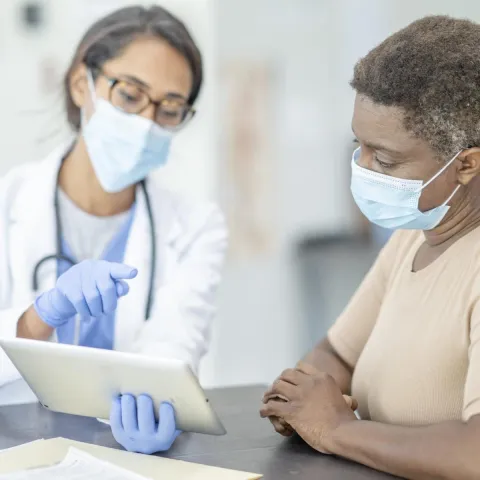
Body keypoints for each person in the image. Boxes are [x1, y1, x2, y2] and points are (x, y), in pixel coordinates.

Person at [0, 5, 227, 454]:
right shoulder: (8, 202)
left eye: (169, 108)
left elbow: (176, 346)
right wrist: (42, 315)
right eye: (129, 95)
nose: (146, 123)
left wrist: (163, 406)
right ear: (82, 84)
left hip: (120, 456)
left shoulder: (196, 227)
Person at [261, 15, 480, 480]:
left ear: (466, 165)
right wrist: (300, 399)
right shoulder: (412, 238)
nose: (362, 168)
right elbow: (337, 355)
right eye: (358, 146)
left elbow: (474, 454)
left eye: (384, 158)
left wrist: (335, 429)